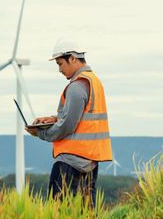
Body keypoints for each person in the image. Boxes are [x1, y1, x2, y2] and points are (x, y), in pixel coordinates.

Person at [25, 38, 113, 207]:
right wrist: (54, 118)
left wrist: (41, 133)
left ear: (72, 58)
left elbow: (68, 126)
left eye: (60, 64)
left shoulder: (77, 86)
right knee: (85, 211)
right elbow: (82, 116)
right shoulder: (93, 81)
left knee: (60, 209)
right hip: (89, 162)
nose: (59, 70)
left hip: (70, 162)